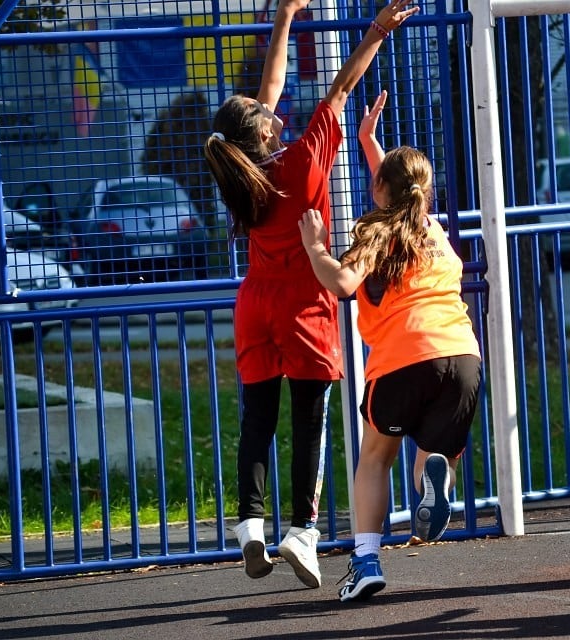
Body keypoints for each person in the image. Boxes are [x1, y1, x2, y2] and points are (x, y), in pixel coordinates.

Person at [203, 0, 419, 588]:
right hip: (304, 308)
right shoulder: (299, 163)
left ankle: (250, 526)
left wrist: (284, 16)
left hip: (256, 307)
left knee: (257, 421)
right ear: (265, 128)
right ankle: (301, 531)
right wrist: (377, 30)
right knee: (309, 423)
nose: (268, 104)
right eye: (263, 110)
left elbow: (268, 86)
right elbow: (343, 86)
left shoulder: (243, 173)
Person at [298, 90, 482, 602]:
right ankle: (435, 482)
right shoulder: (434, 230)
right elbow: (402, 191)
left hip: (402, 358)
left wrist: (315, 246)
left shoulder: (375, 233)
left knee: (375, 458)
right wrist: (369, 142)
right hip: (462, 355)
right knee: (435, 451)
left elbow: (340, 283)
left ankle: (366, 560)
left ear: (379, 188)